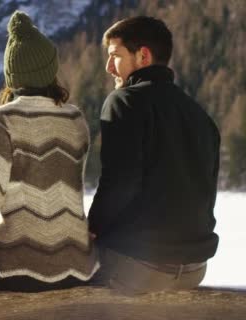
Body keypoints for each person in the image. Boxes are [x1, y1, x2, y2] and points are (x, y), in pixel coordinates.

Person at [0, 11, 99, 292]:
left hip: (19, 269)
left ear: (11, 75)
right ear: (51, 70)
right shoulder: (75, 118)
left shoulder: (0, 120)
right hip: (78, 267)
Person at [88, 16, 220, 294]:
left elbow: (119, 181)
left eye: (115, 56)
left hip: (141, 268)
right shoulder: (199, 114)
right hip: (195, 267)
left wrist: (92, 227)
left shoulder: (125, 100)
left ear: (143, 55)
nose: (109, 66)